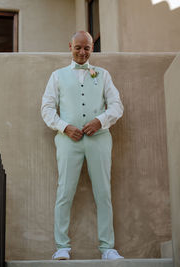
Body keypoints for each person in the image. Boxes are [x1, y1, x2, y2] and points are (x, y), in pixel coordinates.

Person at [41, 31, 124, 260]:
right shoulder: (57, 76)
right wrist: (64, 126)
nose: (82, 52)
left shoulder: (104, 75)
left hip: (100, 139)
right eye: (78, 47)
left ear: (92, 48)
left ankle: (108, 248)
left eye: (87, 47)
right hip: (68, 141)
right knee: (65, 191)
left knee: (103, 191)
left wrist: (100, 121)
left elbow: (116, 106)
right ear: (70, 46)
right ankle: (62, 247)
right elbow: (47, 108)